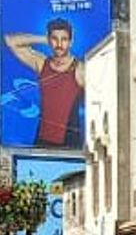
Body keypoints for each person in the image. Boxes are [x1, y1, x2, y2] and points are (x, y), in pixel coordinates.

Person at [4, 19, 85, 148]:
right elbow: (10, 41)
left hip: (69, 145)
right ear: (49, 40)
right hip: (42, 141)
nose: (59, 44)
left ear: (71, 41)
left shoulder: (80, 70)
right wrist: (43, 39)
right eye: (54, 39)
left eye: (64, 39)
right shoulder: (42, 63)